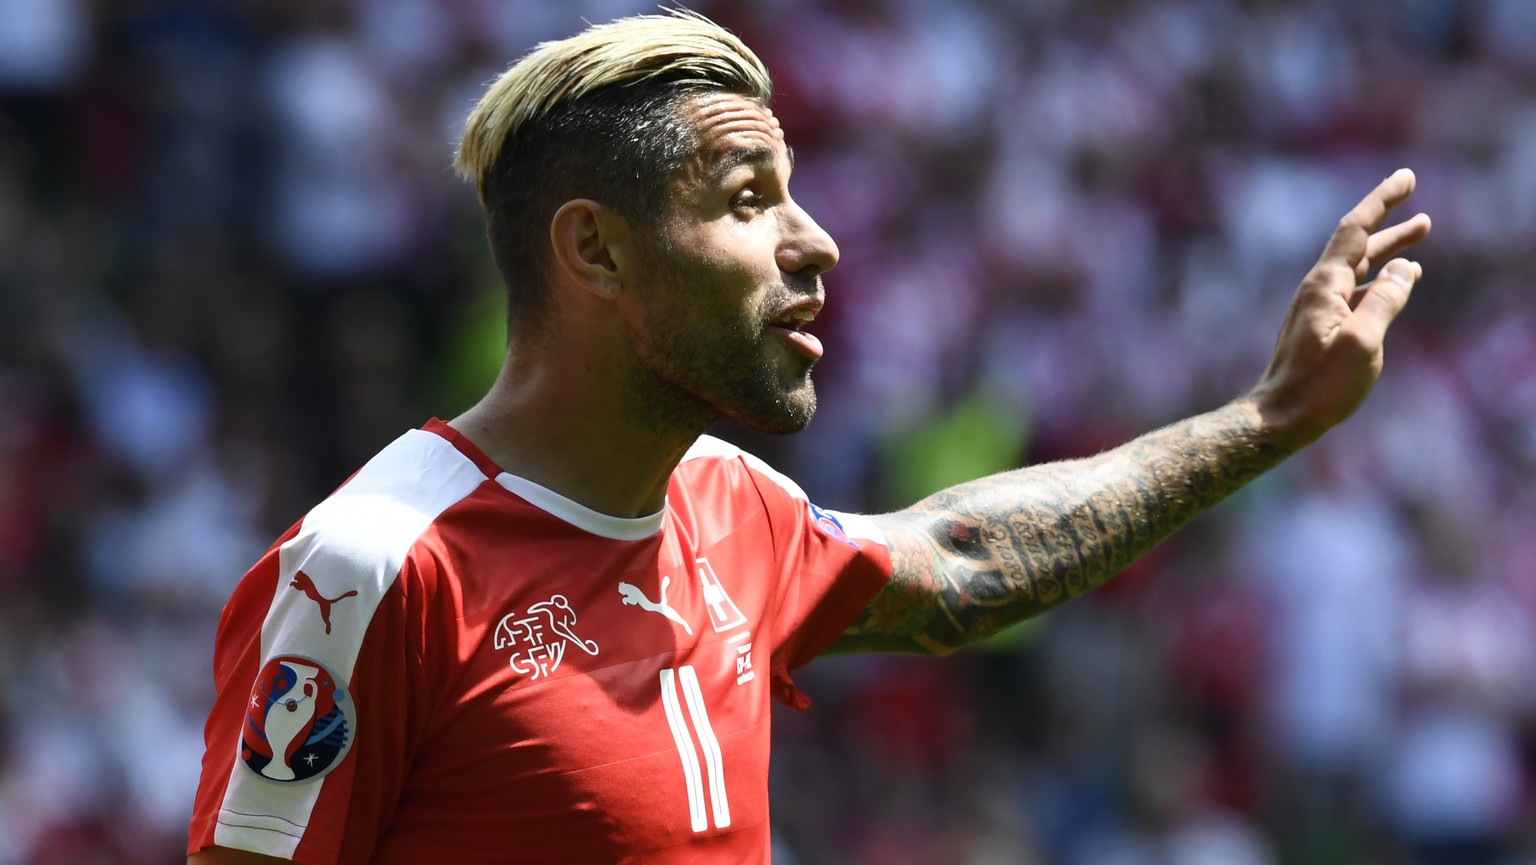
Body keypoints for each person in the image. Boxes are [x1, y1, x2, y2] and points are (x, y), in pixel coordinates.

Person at [185, 9, 1430, 864]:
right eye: (747, 200)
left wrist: (1267, 420)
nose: (817, 240)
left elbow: (963, 561)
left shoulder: (729, 505)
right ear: (597, 250)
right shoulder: (371, 571)